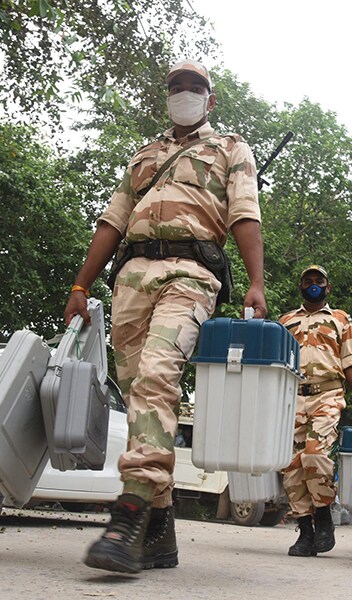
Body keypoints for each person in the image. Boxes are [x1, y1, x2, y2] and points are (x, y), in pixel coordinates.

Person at [64, 60, 266, 574]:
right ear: (166, 96)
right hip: (131, 275)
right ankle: (161, 531)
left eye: (195, 86)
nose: (185, 93)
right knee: (138, 400)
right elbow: (113, 220)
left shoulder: (230, 148)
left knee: (158, 376)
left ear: (210, 99)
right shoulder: (144, 155)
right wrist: (80, 284)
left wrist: (257, 282)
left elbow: (244, 214)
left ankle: (128, 515)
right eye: (176, 86)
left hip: (192, 272)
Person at [278, 265, 352, 556]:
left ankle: (323, 513)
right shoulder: (285, 321)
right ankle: (305, 530)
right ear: (300, 286)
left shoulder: (340, 319)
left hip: (327, 395)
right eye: (308, 280)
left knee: (315, 455)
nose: (313, 284)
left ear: (328, 288)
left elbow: (350, 362)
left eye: (319, 281)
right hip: (292, 398)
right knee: (291, 464)